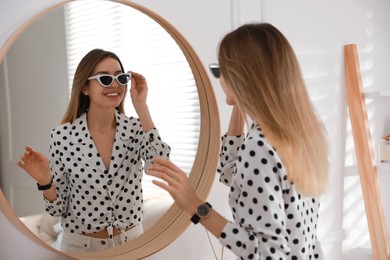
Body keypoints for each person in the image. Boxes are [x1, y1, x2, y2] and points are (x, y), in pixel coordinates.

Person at [148, 23, 329, 259]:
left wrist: (195, 206)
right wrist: (244, 102)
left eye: (221, 71)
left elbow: (267, 254)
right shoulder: (300, 132)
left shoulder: (260, 147)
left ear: (240, 76)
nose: (220, 78)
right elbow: (231, 173)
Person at [17, 49, 171, 253]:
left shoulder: (136, 129)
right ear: (85, 88)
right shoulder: (62, 136)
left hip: (133, 244)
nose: (115, 84)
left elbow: (159, 165)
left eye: (121, 77)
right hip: (80, 248)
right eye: (105, 79)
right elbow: (57, 209)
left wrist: (141, 106)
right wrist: (45, 182)